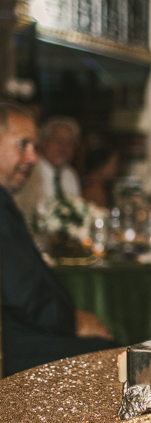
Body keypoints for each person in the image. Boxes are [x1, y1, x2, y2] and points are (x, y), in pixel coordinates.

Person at [0, 101, 114, 376]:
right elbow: (21, 291)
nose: (32, 157)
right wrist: (72, 322)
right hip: (14, 342)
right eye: (22, 145)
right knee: (112, 362)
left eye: (34, 148)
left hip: (21, 331)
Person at [13, 115, 82, 223]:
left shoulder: (70, 175)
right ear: (42, 142)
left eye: (70, 143)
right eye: (59, 141)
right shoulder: (28, 171)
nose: (64, 148)